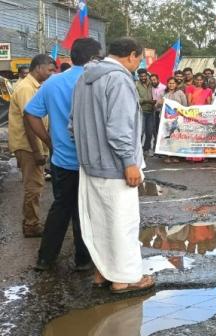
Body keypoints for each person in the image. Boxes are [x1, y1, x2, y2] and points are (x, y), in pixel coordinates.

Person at [72, 37, 155, 293]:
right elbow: (119, 129)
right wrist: (129, 162)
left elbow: (71, 124)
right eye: (139, 59)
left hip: (90, 165)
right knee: (122, 224)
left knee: (100, 224)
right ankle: (124, 279)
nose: (138, 64)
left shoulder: (84, 79)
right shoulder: (118, 79)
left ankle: (102, 273)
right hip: (115, 166)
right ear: (131, 55)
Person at [24, 38, 101, 271]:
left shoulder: (52, 83)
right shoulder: (96, 80)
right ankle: (83, 260)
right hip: (91, 161)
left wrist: (49, 141)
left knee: (61, 207)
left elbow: (31, 114)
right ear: (93, 58)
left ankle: (45, 259)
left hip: (62, 159)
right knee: (84, 211)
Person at [8, 54, 55, 237]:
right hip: (28, 145)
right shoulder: (26, 88)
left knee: (35, 185)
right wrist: (38, 151)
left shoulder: (34, 86)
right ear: (38, 68)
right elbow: (29, 121)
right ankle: (31, 225)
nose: (51, 73)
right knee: (33, 186)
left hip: (31, 144)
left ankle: (31, 222)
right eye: (49, 69)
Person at [158, 77, 187, 164]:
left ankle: (175, 155)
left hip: (177, 119)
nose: (171, 85)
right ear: (167, 84)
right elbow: (157, 106)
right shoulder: (164, 93)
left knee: (176, 137)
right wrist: (159, 103)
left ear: (176, 84)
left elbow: (184, 105)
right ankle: (167, 155)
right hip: (166, 120)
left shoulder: (180, 93)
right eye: (169, 83)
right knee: (167, 137)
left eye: (173, 83)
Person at [136, 68, 156, 156]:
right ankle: (138, 150)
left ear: (147, 75)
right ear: (139, 76)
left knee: (150, 131)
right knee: (141, 131)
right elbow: (137, 99)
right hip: (141, 112)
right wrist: (147, 100)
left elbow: (159, 91)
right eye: (141, 76)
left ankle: (146, 149)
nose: (143, 78)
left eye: (145, 76)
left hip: (151, 111)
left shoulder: (152, 83)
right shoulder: (136, 85)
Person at [150, 73, 166, 150]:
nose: (153, 81)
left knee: (161, 130)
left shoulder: (164, 87)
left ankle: (161, 148)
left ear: (158, 79)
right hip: (154, 111)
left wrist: (158, 103)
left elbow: (164, 99)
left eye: (154, 80)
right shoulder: (151, 88)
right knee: (155, 130)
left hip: (162, 112)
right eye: (152, 80)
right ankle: (155, 147)